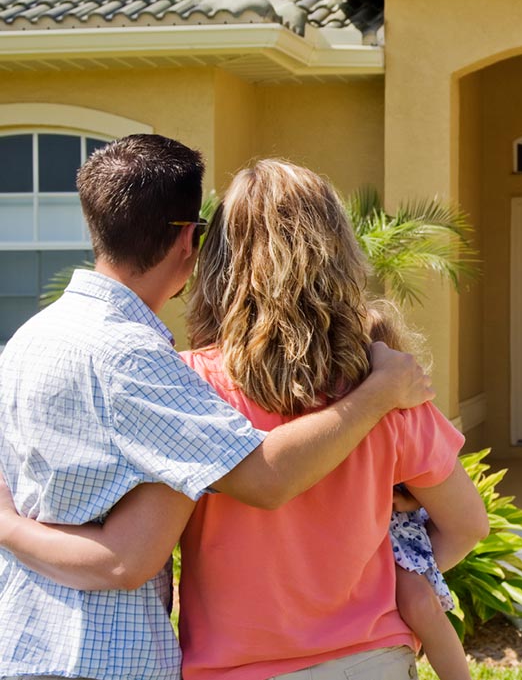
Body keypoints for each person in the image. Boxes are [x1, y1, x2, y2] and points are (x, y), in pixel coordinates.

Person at [0, 138, 434, 680]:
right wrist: (379, 391)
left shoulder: (29, 339)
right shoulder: (135, 357)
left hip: (25, 640)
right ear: (187, 239)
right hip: (103, 654)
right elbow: (261, 480)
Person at [366, 300, 473, 680]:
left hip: (397, 532)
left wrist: (407, 499)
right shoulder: (344, 413)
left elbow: (425, 483)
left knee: (418, 603)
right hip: (361, 537)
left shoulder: (403, 413)